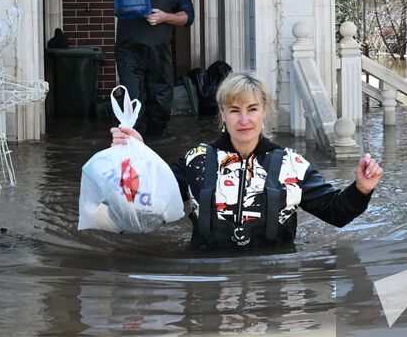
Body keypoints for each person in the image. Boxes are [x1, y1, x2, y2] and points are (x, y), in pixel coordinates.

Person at [111, 72, 382, 249]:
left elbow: (337, 212)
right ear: (222, 114)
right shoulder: (197, 161)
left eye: (252, 109)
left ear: (265, 111)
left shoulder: (292, 165)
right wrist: (137, 156)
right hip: (208, 276)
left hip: (274, 279)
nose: (244, 120)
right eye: (234, 110)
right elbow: (148, 203)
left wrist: (361, 189)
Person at [90, 0, 194, 137]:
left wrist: (165, 17)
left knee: (162, 101)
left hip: (159, 50)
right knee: (132, 100)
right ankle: (131, 146)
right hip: (129, 48)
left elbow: (187, 16)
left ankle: (156, 145)